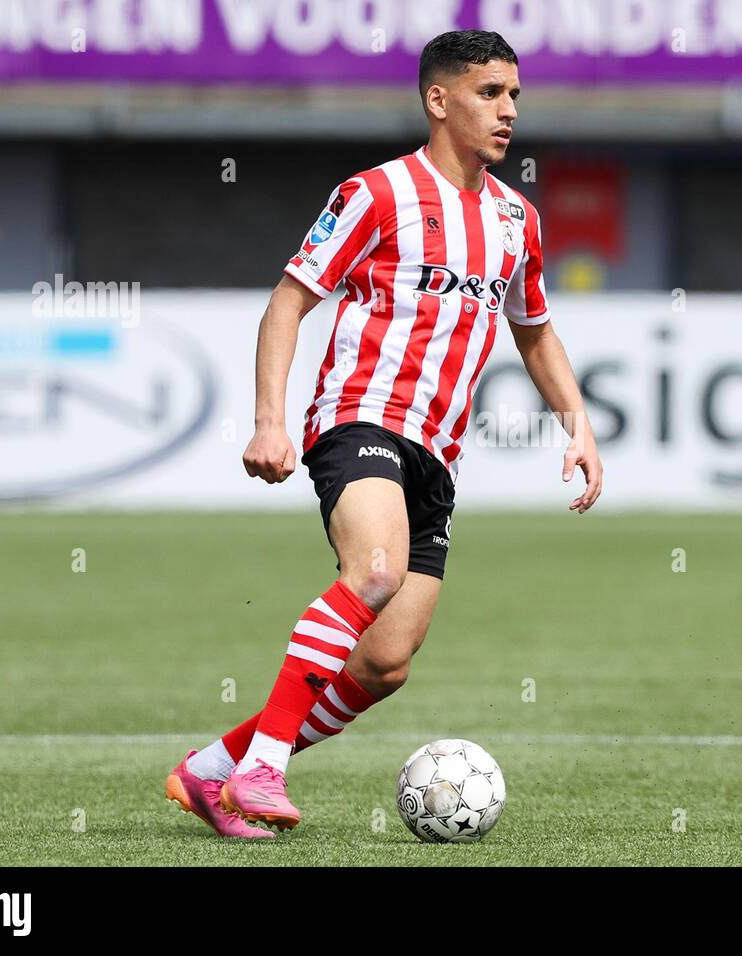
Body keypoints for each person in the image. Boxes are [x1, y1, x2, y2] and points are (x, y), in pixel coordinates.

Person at [164, 29, 603, 837]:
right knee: (375, 570)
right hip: (359, 420)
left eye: (514, 96)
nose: (508, 112)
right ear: (439, 100)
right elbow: (288, 302)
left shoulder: (516, 220)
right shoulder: (375, 194)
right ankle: (263, 770)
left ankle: (211, 770)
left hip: (437, 454)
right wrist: (269, 419)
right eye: (489, 94)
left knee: (385, 662)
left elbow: (535, 330)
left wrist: (577, 425)